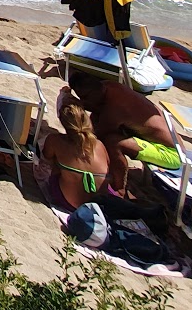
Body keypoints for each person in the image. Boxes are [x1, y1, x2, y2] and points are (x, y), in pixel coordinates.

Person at [42, 90, 170, 230]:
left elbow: (46, 158)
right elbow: (109, 170)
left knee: (56, 164)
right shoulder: (99, 145)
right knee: (121, 203)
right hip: (99, 203)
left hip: (68, 201)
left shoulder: (54, 140)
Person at [66, 71, 181, 190]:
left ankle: (119, 187)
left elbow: (94, 136)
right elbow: (96, 109)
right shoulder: (109, 86)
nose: (83, 101)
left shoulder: (116, 109)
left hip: (172, 154)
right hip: (165, 140)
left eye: (85, 97)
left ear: (95, 91)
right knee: (97, 118)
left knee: (113, 143)